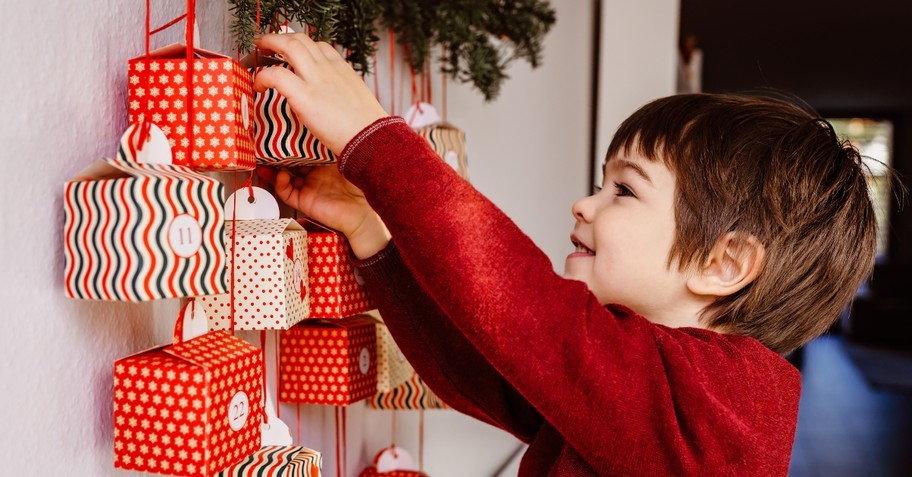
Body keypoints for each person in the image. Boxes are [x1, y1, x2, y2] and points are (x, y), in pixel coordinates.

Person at [251, 32, 878, 476]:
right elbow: (488, 373)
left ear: (724, 265)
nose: (584, 204)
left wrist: (374, 138)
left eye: (624, 190)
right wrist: (370, 231)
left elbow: (532, 317)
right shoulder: (632, 387)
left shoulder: (722, 413)